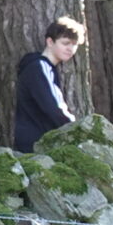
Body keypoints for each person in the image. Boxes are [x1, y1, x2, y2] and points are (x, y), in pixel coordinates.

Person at [12, 16, 84, 153]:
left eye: (74, 44)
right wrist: (77, 129)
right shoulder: (39, 68)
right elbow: (53, 107)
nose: (70, 49)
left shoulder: (46, 68)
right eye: (65, 43)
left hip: (40, 143)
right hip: (35, 144)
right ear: (50, 42)